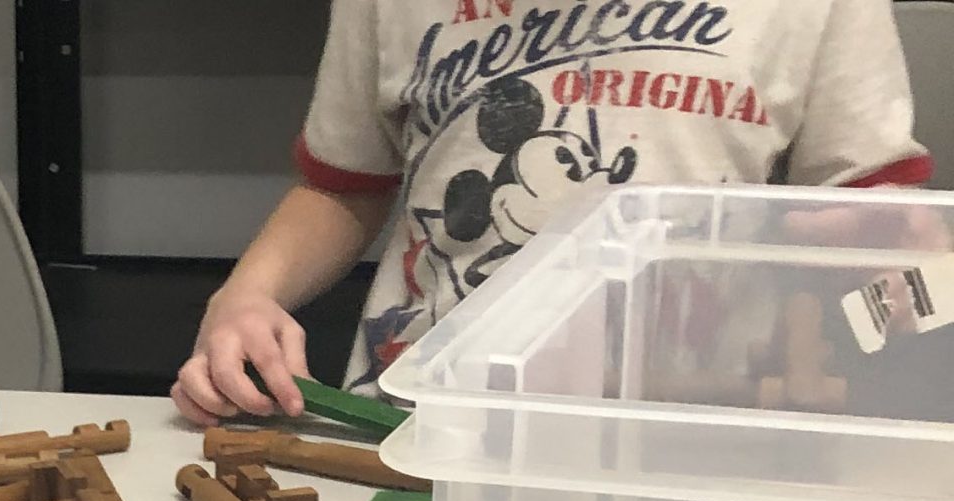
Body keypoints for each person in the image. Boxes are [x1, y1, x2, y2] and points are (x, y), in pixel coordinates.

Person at [174, 0, 933, 424]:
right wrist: (245, 296)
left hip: (689, 432)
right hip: (417, 429)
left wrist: (908, 265)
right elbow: (345, 183)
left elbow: (878, 210)